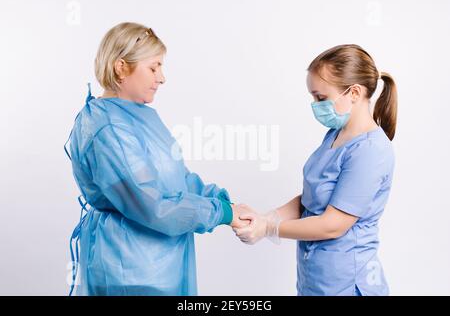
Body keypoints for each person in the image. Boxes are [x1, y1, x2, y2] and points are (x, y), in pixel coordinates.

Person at [65, 22, 250, 296]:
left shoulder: (138, 115)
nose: (162, 78)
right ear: (121, 67)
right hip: (129, 266)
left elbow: (175, 178)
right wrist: (221, 213)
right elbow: (151, 205)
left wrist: (225, 202)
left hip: (158, 263)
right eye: (153, 67)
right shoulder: (108, 128)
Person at [234, 44, 398, 296]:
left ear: (353, 92)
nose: (315, 105)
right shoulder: (334, 135)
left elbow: (332, 225)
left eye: (321, 98)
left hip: (347, 283)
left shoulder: (371, 151)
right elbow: (311, 199)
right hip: (317, 281)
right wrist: (266, 218)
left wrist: (269, 229)